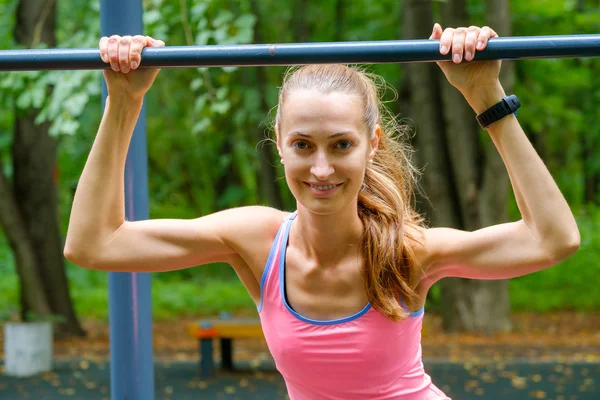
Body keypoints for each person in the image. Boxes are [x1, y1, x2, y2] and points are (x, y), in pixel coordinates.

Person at [64, 23, 580, 400]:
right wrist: (124, 103)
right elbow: (94, 244)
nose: (321, 167)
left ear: (371, 145)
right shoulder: (257, 241)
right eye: (303, 145)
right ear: (280, 147)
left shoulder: (407, 252)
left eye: (340, 145)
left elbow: (552, 239)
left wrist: (484, 94)